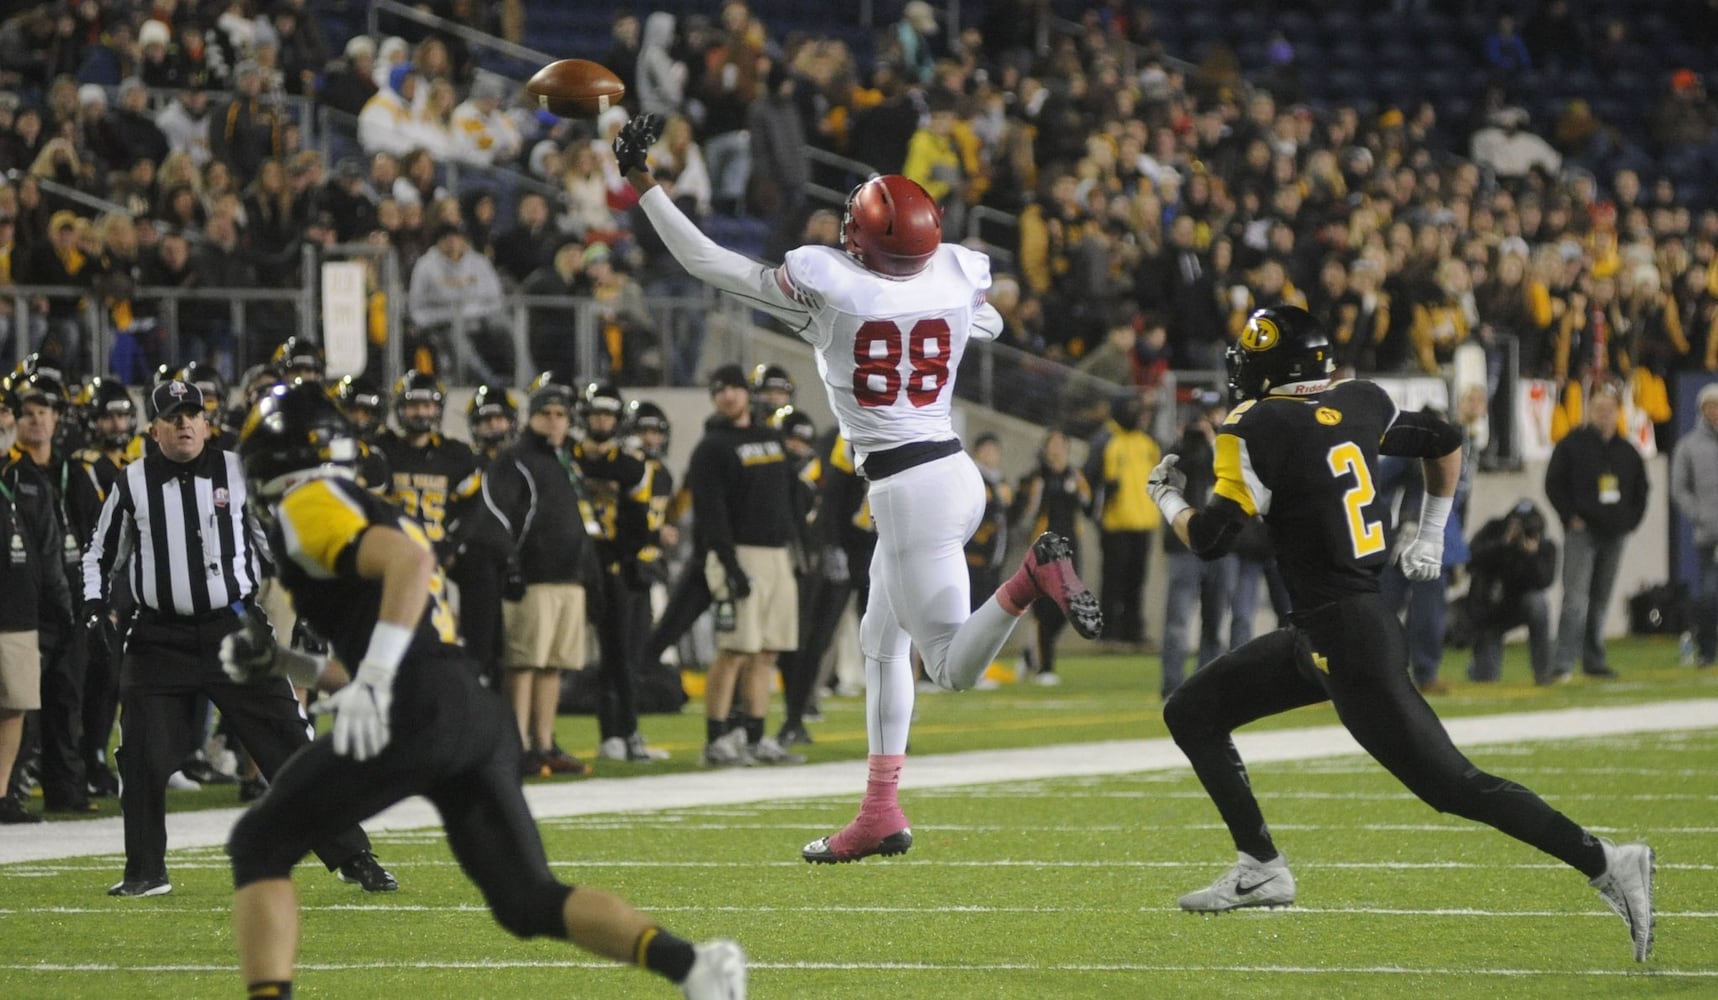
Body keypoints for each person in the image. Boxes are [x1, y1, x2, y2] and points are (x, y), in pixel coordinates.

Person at [617, 115, 1102, 862]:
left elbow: (705, 260)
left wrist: (643, 182)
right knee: (881, 642)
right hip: (949, 471)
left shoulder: (830, 291)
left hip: (910, 490)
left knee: (946, 666)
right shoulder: (953, 274)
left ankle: (1028, 580)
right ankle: (880, 809)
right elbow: (992, 321)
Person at [1145, 305, 1654, 962]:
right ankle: (1260, 865)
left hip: (1348, 637)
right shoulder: (1358, 402)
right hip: (1327, 629)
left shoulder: (1253, 424)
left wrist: (1165, 497)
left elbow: (1212, 539)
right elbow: (1444, 440)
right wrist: (1432, 527)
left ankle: (1609, 861)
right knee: (1193, 710)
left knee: (1452, 785)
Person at [223, 381, 747, 998]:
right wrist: (286, 663)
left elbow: (408, 569)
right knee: (528, 901)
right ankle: (694, 967)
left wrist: (383, 678)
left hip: (415, 704)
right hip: (468, 707)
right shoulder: (362, 502)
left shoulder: (308, 501)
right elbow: (371, 654)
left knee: (258, 843)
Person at [82, 379, 395, 897]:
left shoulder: (236, 470)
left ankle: (354, 856)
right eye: (173, 416)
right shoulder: (132, 482)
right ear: (154, 428)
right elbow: (98, 554)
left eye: (192, 414)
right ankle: (145, 871)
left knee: (290, 745)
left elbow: (279, 541)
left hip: (234, 628)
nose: (184, 423)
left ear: (207, 423)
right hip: (158, 636)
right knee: (140, 755)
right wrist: (94, 608)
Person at [481, 377, 596, 777]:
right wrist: (510, 566)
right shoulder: (514, 459)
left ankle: (544, 743)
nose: (553, 421)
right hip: (533, 576)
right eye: (545, 414)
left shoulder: (564, 460)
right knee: (524, 663)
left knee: (552, 666)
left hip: (567, 578)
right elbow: (499, 517)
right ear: (531, 418)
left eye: (560, 415)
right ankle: (518, 746)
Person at [1543, 380, 1648, 684]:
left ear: (1617, 413)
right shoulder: (1572, 444)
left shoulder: (1627, 451)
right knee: (1575, 599)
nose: (1604, 414)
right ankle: (1562, 662)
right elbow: (1553, 483)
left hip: (1615, 534)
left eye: (1609, 409)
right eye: (1598, 408)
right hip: (1582, 532)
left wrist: (1630, 522)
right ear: (1588, 410)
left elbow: (1642, 490)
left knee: (1601, 600)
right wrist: (1569, 517)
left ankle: (1594, 660)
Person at [0, 385, 72, 824]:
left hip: (19, 612)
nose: (3, 421)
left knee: (15, 707)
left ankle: (3, 793)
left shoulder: (27, 476)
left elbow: (48, 550)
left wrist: (62, 608)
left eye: (4, 413)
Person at [1157, 391, 1234, 700]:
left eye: (1213, 413)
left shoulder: (1228, 447)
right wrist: (1189, 440)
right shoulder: (1177, 449)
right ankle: (1172, 687)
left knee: (1215, 622)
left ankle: (1207, 686)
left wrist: (1216, 439)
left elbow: (1231, 472)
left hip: (1219, 544)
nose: (1208, 420)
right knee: (1178, 621)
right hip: (1185, 546)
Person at [1008, 429, 1092, 686]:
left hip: (1070, 547)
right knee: (1045, 606)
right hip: (1044, 547)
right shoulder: (1037, 477)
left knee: (1069, 607)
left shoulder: (1075, 476)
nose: (1056, 449)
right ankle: (1045, 667)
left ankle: (1030, 655)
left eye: (1060, 444)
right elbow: (1025, 511)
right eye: (1052, 444)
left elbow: (1088, 506)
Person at [1085, 391, 1162, 651]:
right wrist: (1096, 512)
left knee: (1136, 580)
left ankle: (1133, 631)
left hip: (1144, 522)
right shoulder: (1105, 439)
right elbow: (1089, 478)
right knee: (1113, 580)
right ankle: (1109, 633)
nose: (1138, 416)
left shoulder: (1147, 442)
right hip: (1115, 522)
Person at [1464, 500, 1558, 683]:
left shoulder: (1544, 546)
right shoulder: (1493, 531)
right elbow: (1471, 561)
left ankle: (1542, 671)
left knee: (1538, 603)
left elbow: (1544, 581)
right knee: (1486, 679)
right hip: (1489, 607)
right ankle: (1477, 667)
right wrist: (1504, 544)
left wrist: (1530, 556)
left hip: (1519, 605)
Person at [1669, 382, 1718, 668]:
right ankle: (1707, 651)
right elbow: (1679, 489)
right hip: (1709, 534)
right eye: (1710, 407)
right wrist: (1699, 514)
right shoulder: (1689, 446)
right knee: (1708, 595)